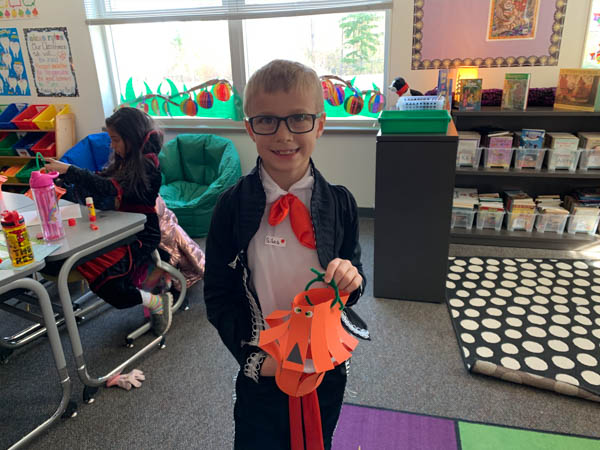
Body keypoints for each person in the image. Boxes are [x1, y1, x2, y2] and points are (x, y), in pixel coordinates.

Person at [203, 59, 369, 450]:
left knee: (318, 440)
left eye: (299, 119)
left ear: (320, 124)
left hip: (325, 367)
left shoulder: (341, 203)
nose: (283, 135)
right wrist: (256, 358)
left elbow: (355, 279)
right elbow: (218, 296)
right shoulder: (231, 208)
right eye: (267, 120)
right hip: (263, 367)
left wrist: (351, 280)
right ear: (249, 128)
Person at [45, 107, 173, 336]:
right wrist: (66, 177)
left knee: (110, 285)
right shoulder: (125, 160)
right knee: (85, 262)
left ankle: (155, 302)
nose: (112, 146)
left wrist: (71, 170)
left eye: (115, 140)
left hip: (141, 233)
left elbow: (107, 187)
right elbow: (102, 179)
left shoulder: (147, 164)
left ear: (131, 138)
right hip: (119, 227)